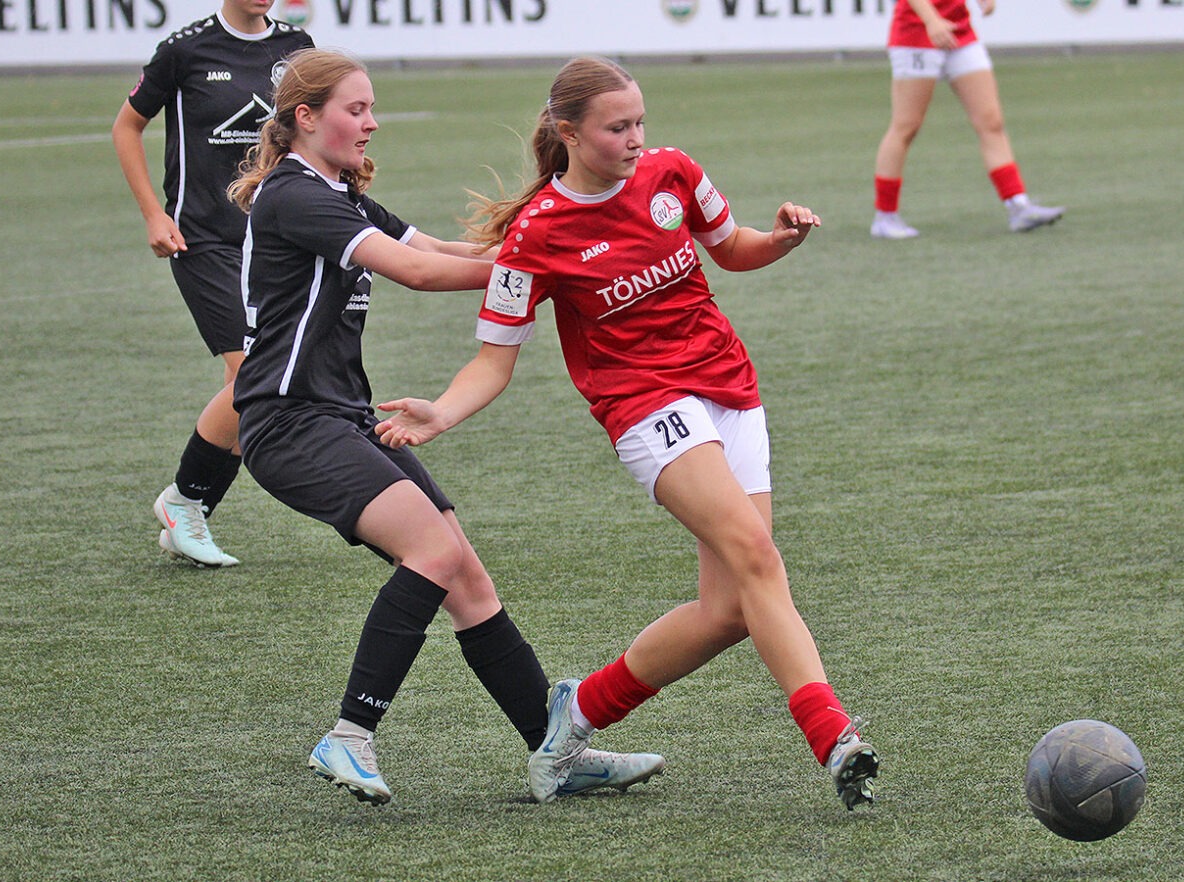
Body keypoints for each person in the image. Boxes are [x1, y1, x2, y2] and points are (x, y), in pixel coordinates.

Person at [374, 56, 881, 810]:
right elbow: (494, 358)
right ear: (569, 133)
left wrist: (777, 240)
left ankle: (577, 713)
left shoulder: (673, 173)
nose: (638, 138)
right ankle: (833, 735)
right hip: (644, 405)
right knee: (755, 554)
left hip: (730, 389)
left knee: (731, 610)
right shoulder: (537, 234)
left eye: (640, 121)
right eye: (619, 128)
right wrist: (444, 409)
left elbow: (731, 247)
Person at [228, 48, 664, 805]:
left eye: (370, 108)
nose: (371, 122)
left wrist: (561, 238)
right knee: (429, 551)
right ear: (306, 117)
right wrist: (553, 266)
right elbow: (420, 273)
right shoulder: (294, 197)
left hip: (341, 418)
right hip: (287, 423)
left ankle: (551, 749)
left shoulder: (340, 195)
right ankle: (350, 735)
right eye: (355, 109)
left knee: (462, 570)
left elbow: (449, 250)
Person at [113, 0, 312, 568]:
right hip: (204, 241)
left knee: (268, 381)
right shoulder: (186, 49)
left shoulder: (297, 47)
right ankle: (185, 504)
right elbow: (127, 127)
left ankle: (188, 507)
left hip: (274, 239)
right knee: (251, 375)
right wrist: (155, 213)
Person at [870, 0, 1064, 238]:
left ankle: (1018, 206)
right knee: (906, 126)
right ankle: (885, 217)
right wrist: (931, 20)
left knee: (991, 121)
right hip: (916, 32)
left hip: (958, 29)